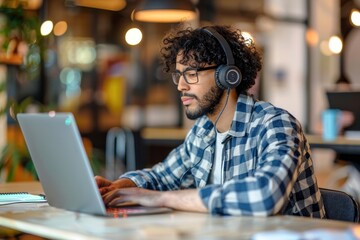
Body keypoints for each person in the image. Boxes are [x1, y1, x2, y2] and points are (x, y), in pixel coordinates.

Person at [96, 25, 325, 218]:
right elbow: (162, 176)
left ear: (227, 75)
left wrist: (161, 199)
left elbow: (264, 196)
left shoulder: (275, 124)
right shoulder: (203, 131)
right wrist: (116, 187)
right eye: (178, 74)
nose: (181, 86)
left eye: (192, 74)